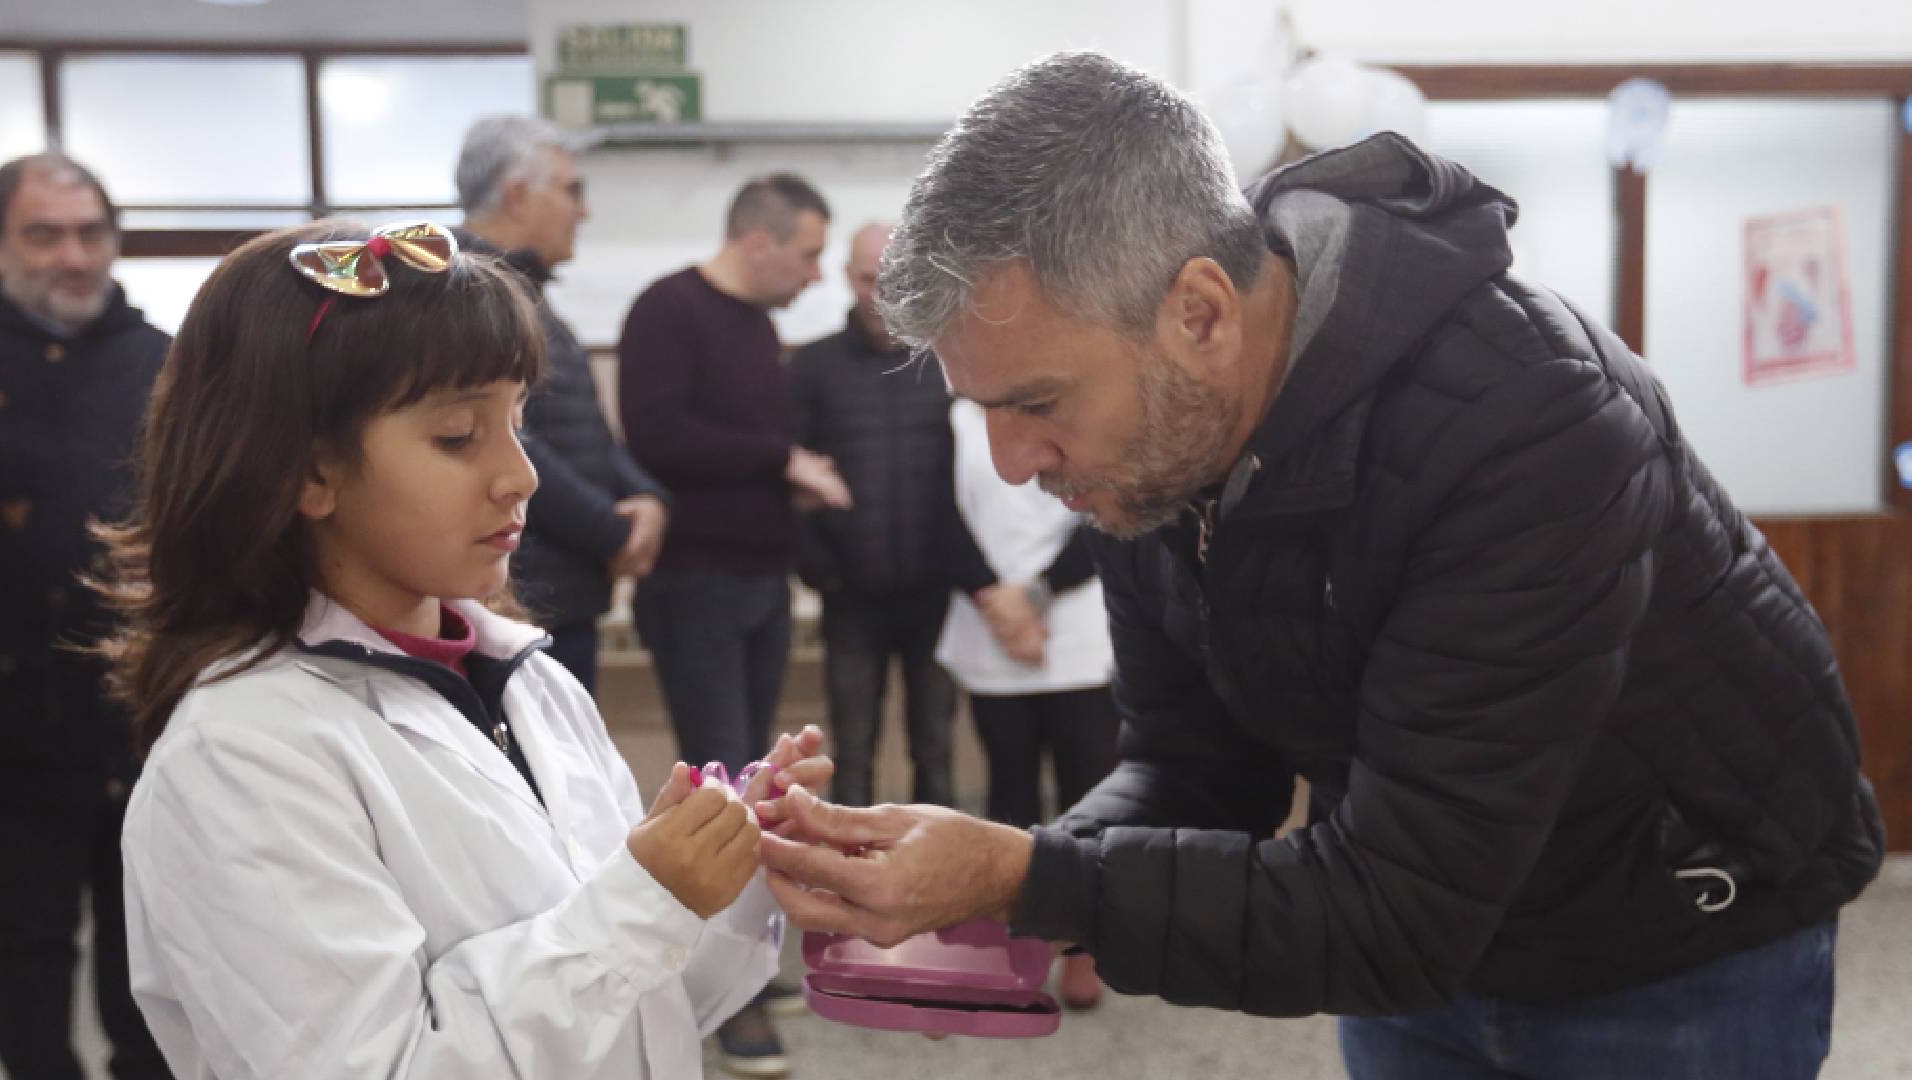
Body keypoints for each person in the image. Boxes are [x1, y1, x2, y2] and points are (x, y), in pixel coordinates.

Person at [757, 52, 1884, 1080]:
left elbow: (1398, 917)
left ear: (1201, 314)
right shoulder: (1154, 441)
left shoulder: (1527, 417)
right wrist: (982, 891)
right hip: (1417, 932)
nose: (1013, 465)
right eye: (986, 413)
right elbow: (1197, 774)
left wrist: (1025, 878)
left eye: (1037, 403)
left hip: (1673, 943)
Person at [93, 221, 832, 1079]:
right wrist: (643, 903)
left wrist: (731, 870)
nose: (521, 476)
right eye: (456, 436)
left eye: (518, 421)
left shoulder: (532, 684)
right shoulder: (241, 755)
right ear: (308, 471)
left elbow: (645, 1014)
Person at [614, 172, 851, 1078]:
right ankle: (724, 1001)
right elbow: (659, 436)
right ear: (760, 240)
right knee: (717, 787)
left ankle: (740, 965)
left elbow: (738, 451)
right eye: (809, 253)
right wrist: (782, 460)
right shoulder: (667, 310)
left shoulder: (755, 327)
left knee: (755, 777)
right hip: (696, 587)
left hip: (759, 583)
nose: (816, 273)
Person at [0, 152, 171, 1080]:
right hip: (10, 719)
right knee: (25, 943)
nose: (72, 255)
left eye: (90, 233)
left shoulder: (163, 364)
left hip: (140, 706)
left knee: (151, 944)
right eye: (43, 235)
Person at [455, 115, 670, 693]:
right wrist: (612, 532)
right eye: (573, 190)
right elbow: (509, 444)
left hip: (562, 590)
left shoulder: (526, 294)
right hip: (519, 597)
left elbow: (584, 428)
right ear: (517, 194)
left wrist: (645, 497)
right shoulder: (465, 296)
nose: (585, 210)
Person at [936, 393, 1119, 1010]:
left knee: (1088, 797)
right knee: (1008, 799)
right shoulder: (950, 418)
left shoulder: (1081, 403)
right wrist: (998, 604)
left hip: (1076, 631)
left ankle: (1085, 946)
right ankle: (1015, 943)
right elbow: (939, 515)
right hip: (988, 628)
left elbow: (1107, 510)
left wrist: (1033, 598)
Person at [789, 221, 958, 808]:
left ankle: (938, 864)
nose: (881, 291)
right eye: (868, 278)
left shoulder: (947, 362)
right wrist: (820, 570)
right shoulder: (813, 367)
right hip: (851, 597)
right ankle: (852, 860)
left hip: (937, 595)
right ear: (847, 277)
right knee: (852, 751)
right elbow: (790, 472)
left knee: (935, 749)